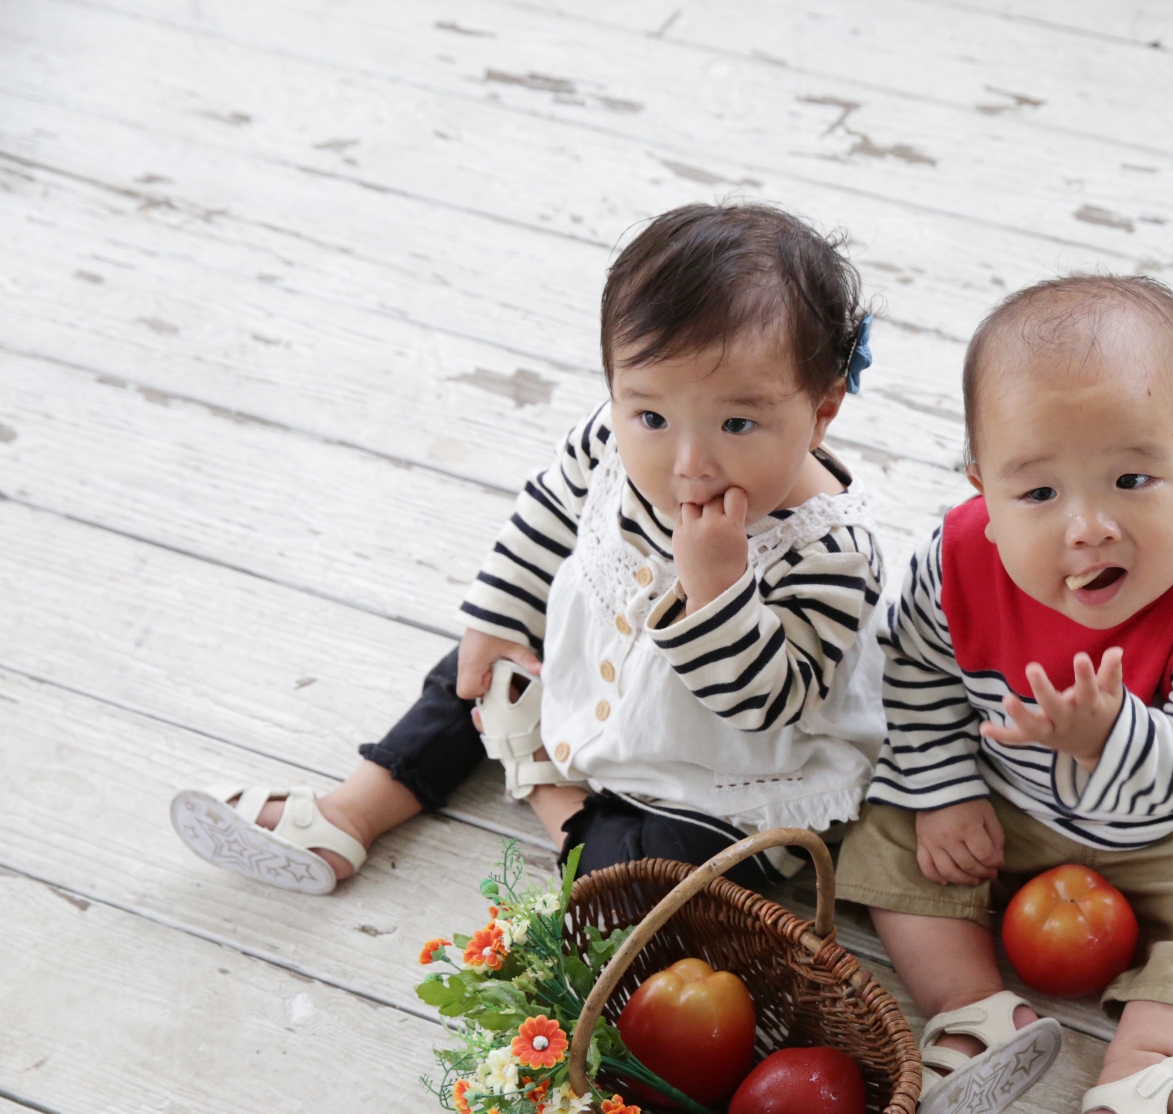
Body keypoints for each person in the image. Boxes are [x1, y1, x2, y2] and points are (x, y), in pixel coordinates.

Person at [171, 203, 885, 895]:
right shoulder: (615, 441)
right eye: (651, 415)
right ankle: (349, 813)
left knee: (650, 888)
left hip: (716, 775)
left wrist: (718, 588)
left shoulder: (831, 553)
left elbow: (766, 705)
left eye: (736, 423)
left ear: (821, 412)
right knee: (473, 669)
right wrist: (497, 619)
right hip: (605, 672)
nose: (688, 462)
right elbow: (549, 515)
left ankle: (546, 785)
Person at [837, 275, 1173, 1114]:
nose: (1089, 527)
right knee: (885, 838)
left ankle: (1142, 1071)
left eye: (1133, 479)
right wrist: (946, 792)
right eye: (1040, 492)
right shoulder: (959, 560)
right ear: (985, 489)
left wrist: (1114, 740)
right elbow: (916, 673)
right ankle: (974, 1014)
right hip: (1006, 794)